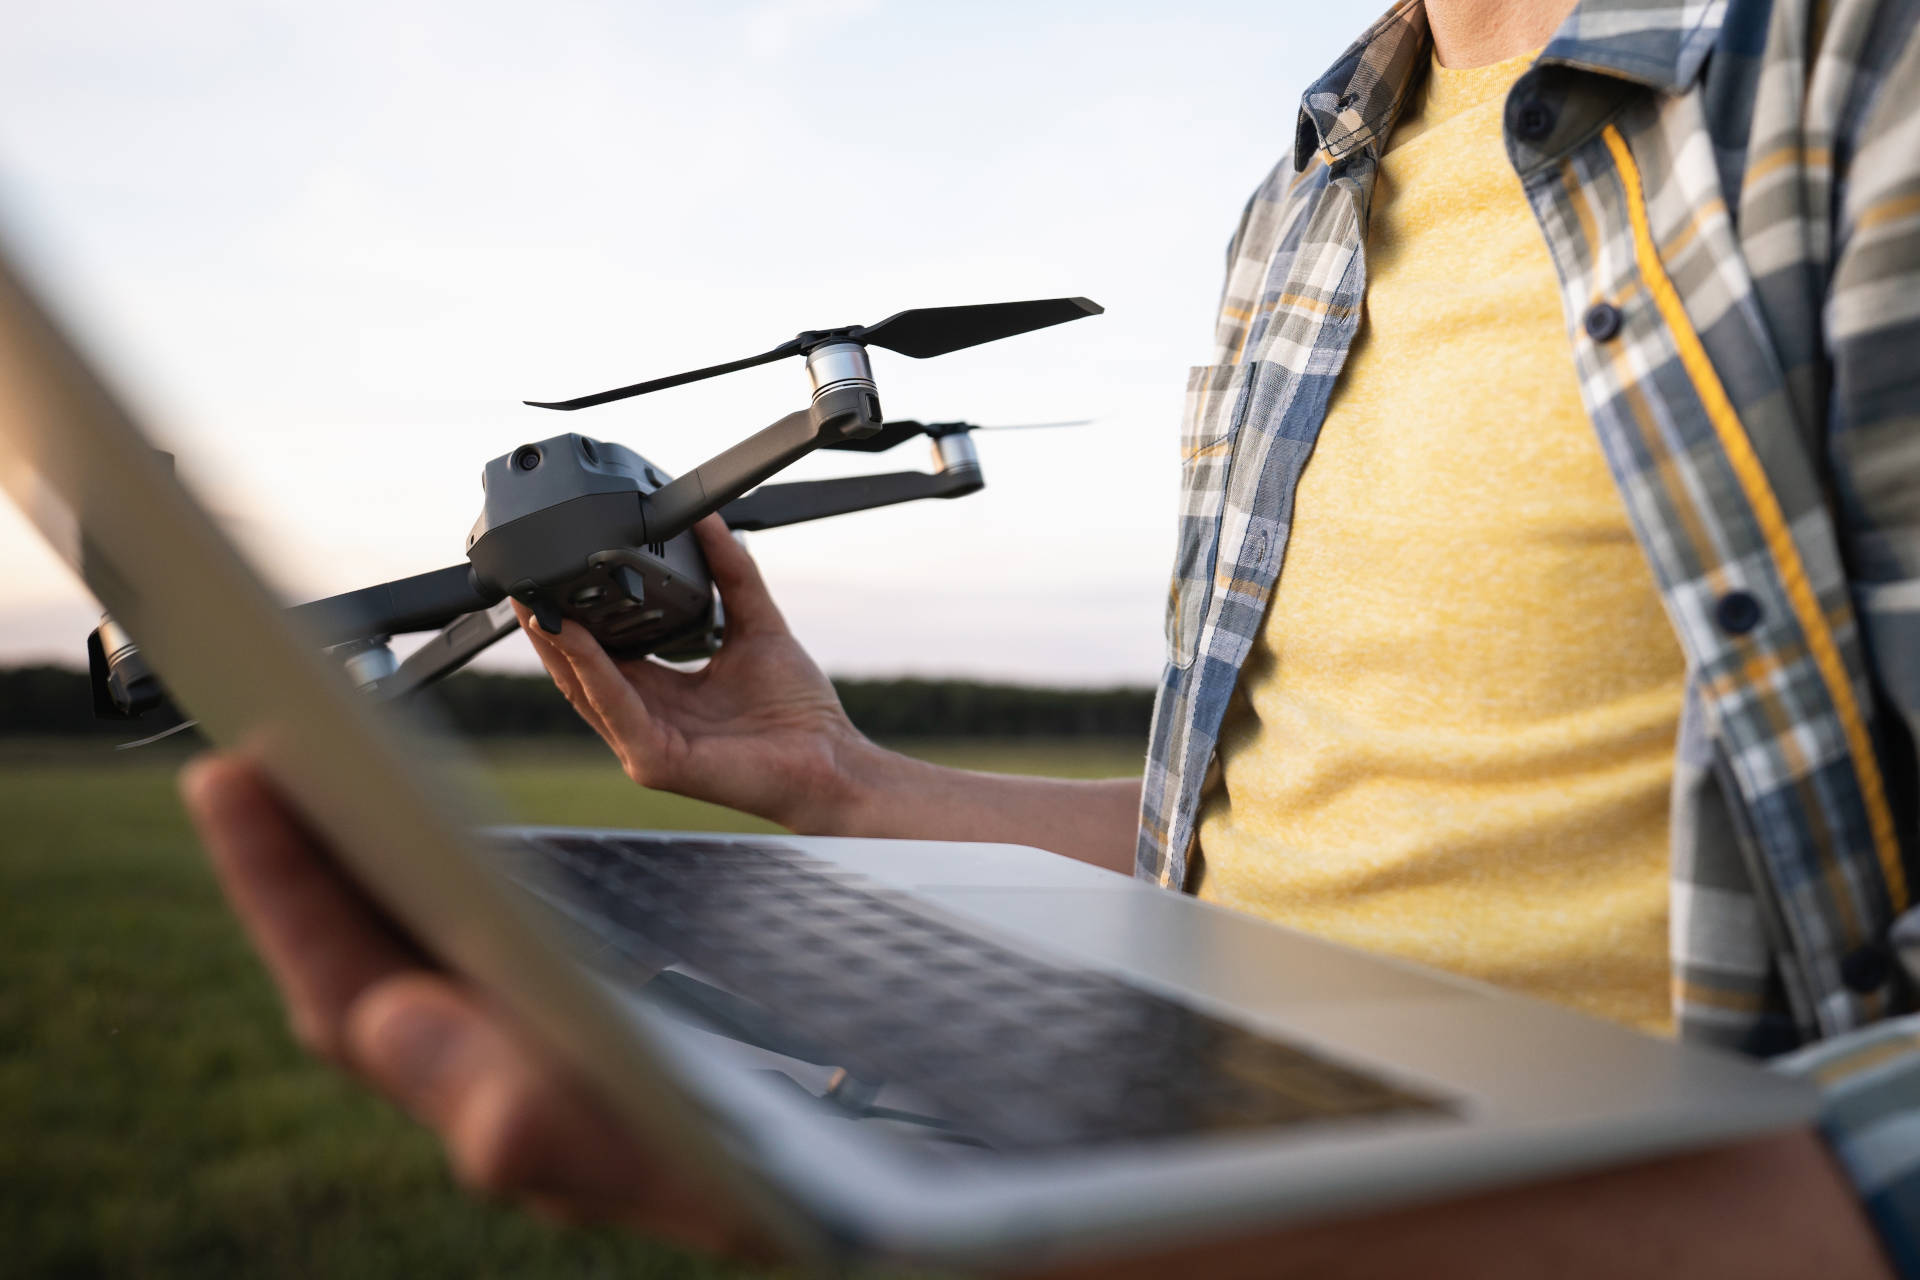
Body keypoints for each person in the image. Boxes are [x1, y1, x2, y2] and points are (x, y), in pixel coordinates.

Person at [181, 0, 1920, 1273]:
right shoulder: (1302, 207)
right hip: (1219, 1166)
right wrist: (836, 778)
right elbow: (1244, 862)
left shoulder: (1855, 78)